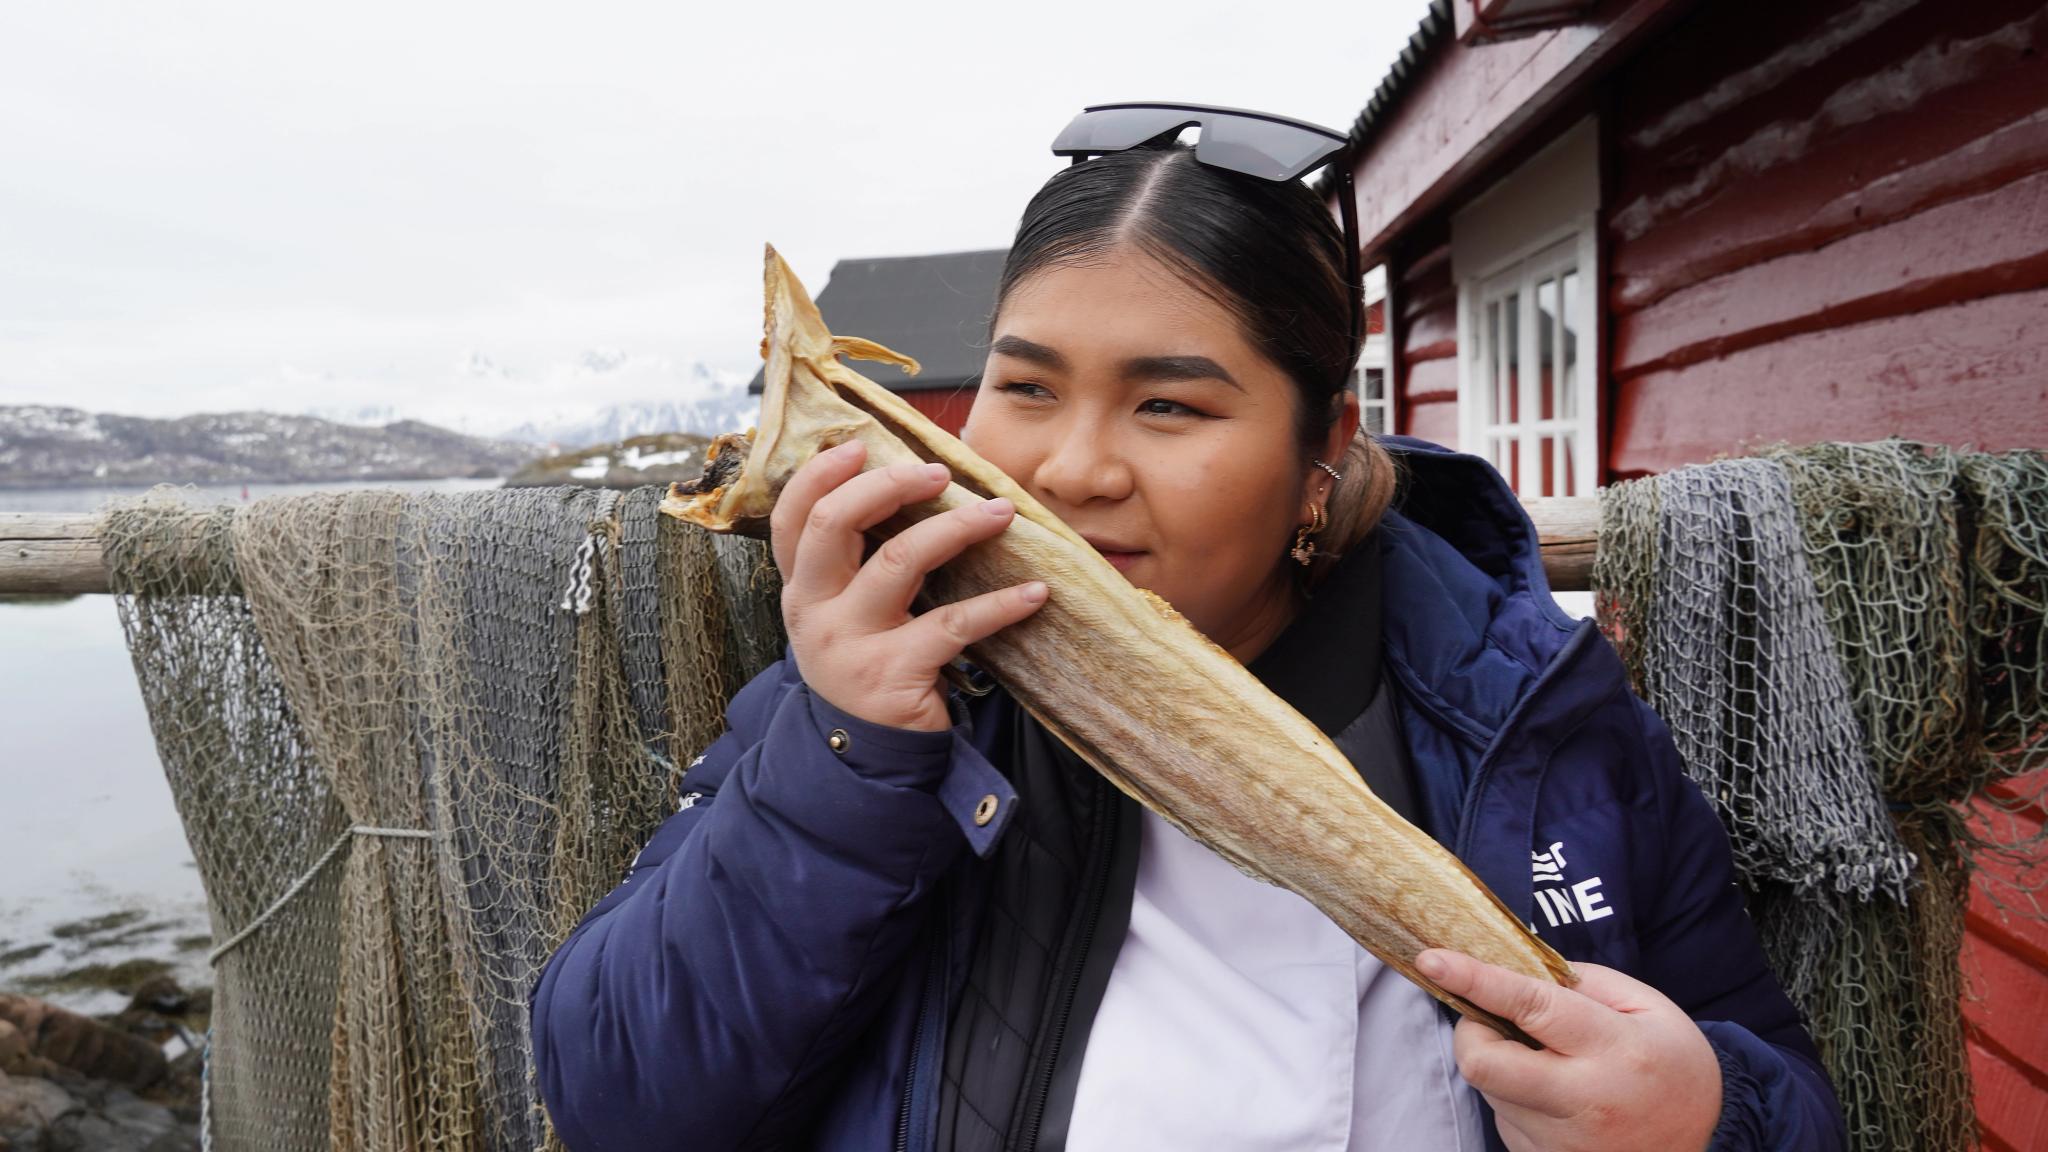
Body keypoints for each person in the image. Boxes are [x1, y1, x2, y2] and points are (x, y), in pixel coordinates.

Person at [529, 104, 1844, 1152]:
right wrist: (840, 758)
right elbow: (618, 1100)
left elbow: (1775, 1080)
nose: (1073, 468)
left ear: (1318, 449)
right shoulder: (874, 696)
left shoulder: (1542, 726)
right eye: (1026, 386)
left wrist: (1706, 1118)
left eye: (1170, 407)